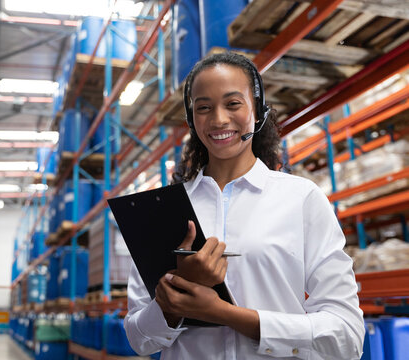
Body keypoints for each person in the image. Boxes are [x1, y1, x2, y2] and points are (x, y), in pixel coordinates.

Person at [123, 52, 365, 359]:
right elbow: (138, 339)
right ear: (191, 119)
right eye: (204, 108)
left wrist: (225, 313)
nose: (219, 119)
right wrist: (172, 302)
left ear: (258, 110)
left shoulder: (301, 199)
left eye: (233, 103)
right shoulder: (163, 212)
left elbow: (346, 336)